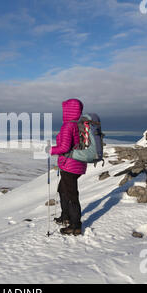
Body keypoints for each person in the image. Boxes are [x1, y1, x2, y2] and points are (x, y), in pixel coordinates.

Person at [50, 99, 87, 236]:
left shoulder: (67, 126)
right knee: (62, 190)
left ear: (68, 110)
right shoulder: (79, 125)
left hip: (69, 165)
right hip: (78, 163)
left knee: (71, 195)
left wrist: (50, 150)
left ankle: (75, 226)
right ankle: (65, 216)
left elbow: (64, 147)